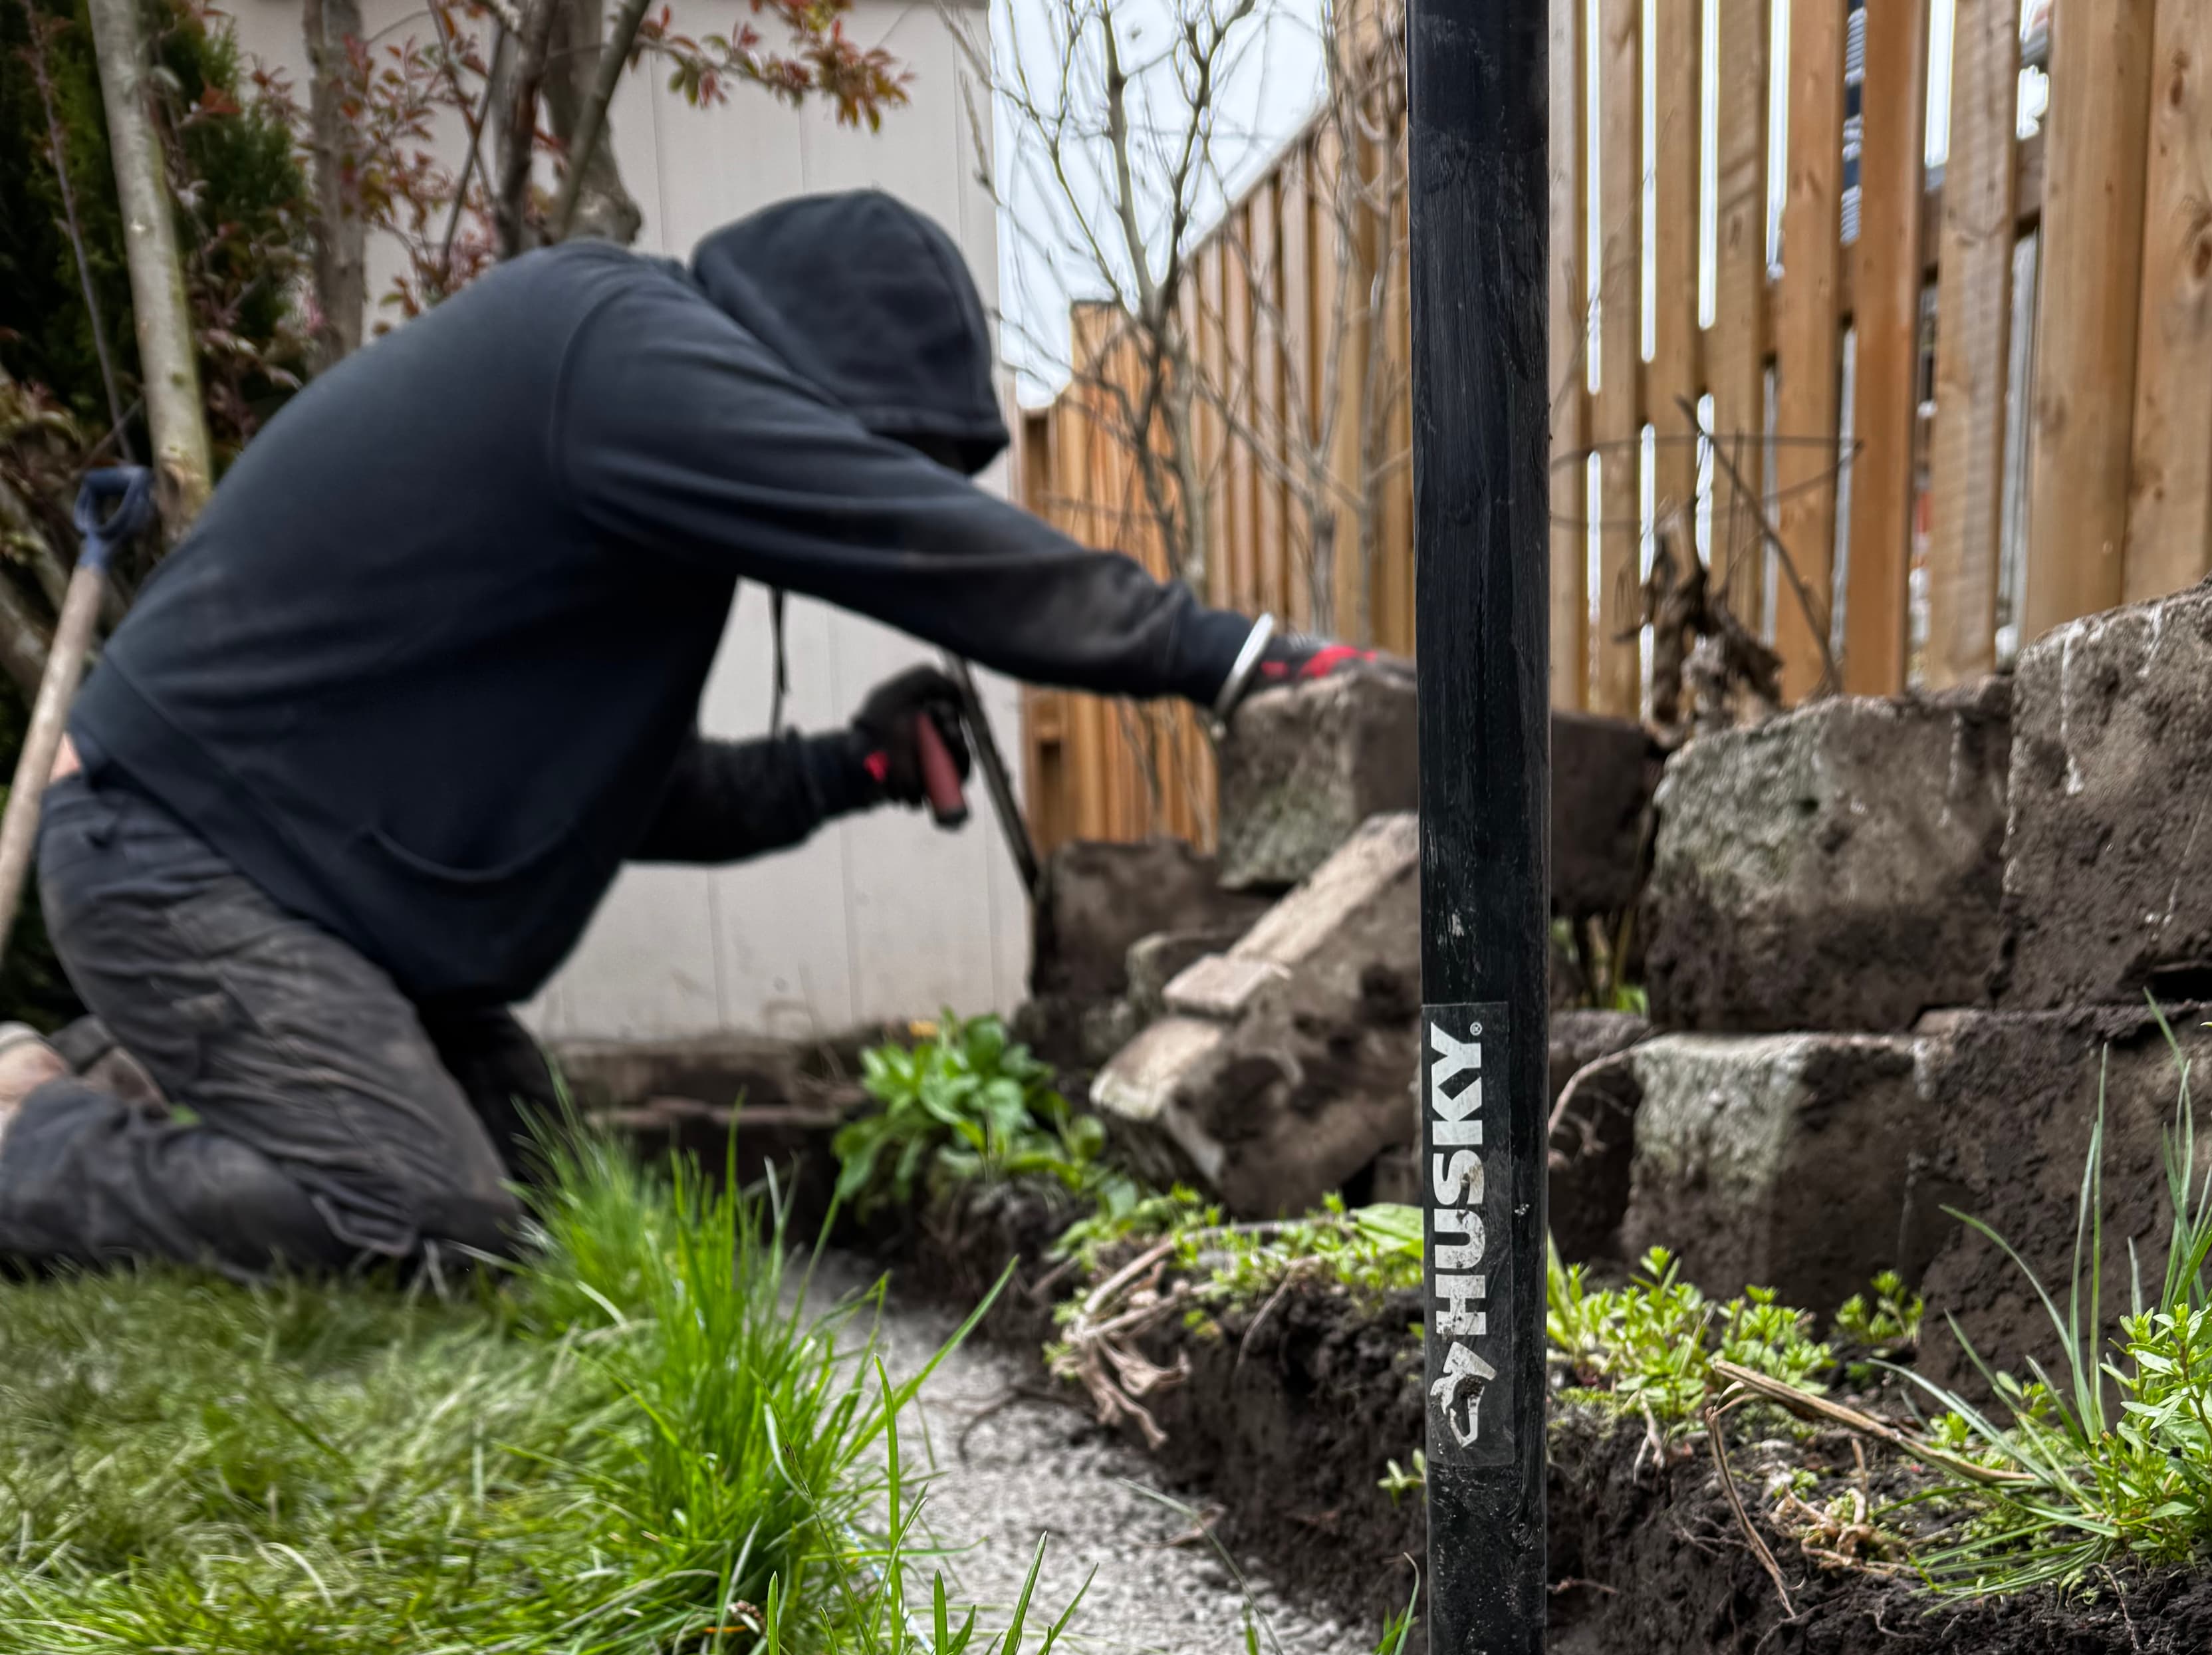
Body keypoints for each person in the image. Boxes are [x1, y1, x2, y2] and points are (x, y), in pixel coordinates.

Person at [0, 190, 1374, 1278]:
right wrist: (1228, 655)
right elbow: (901, 537)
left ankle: (137, 1072)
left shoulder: (616, 499)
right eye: (868, 450)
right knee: (422, 1220)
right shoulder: (602, 343)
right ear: (812, 387)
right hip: (183, 861)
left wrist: (859, 766)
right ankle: (27, 1152)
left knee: (541, 1212)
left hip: (306, 908)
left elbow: (640, 800)